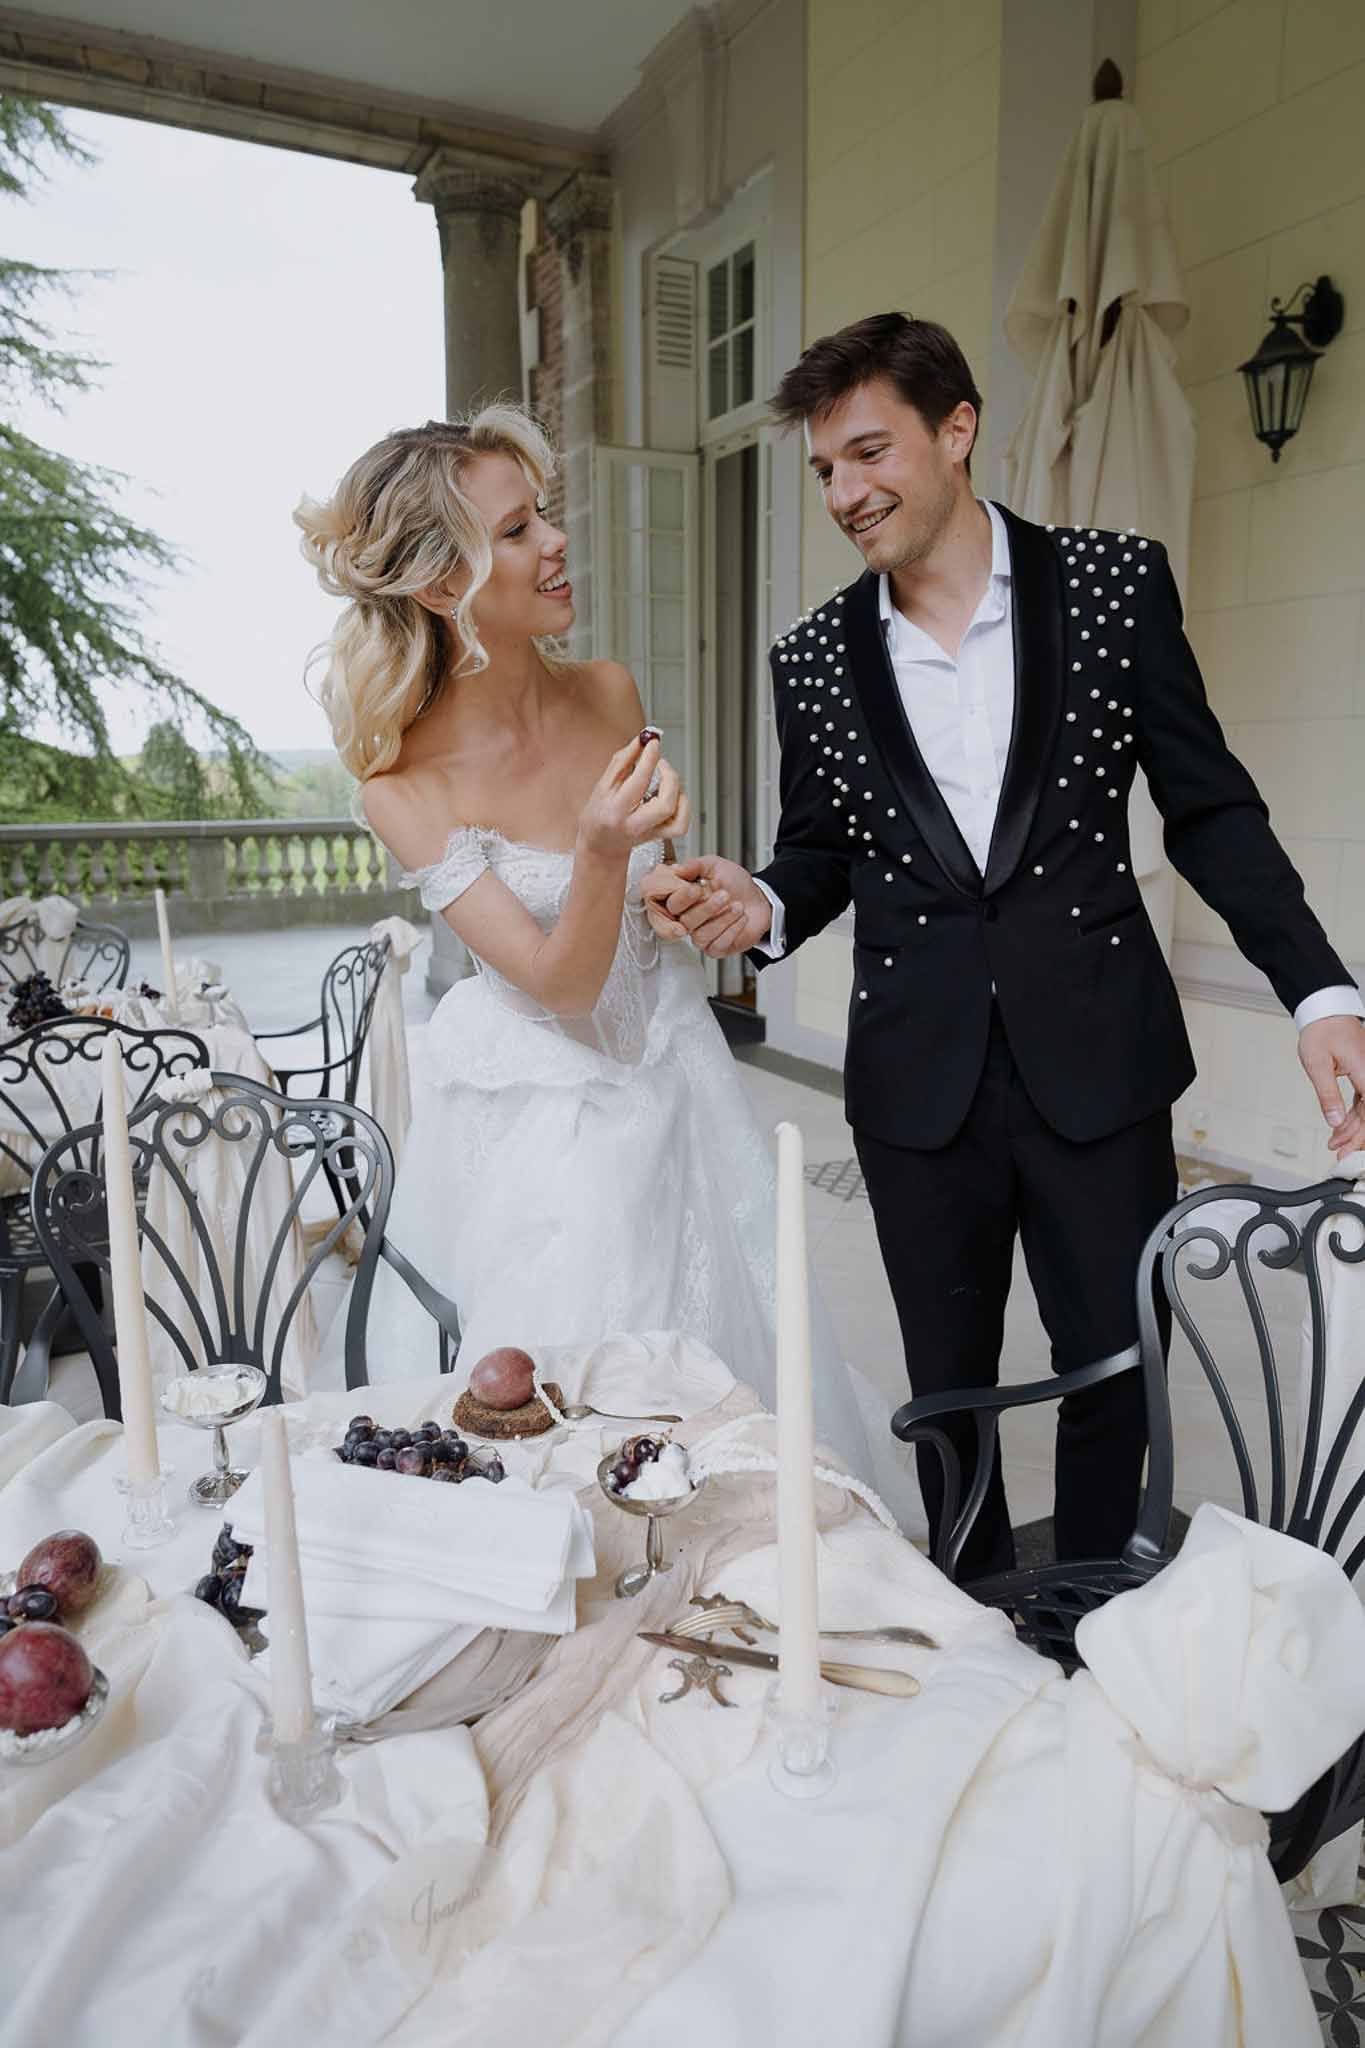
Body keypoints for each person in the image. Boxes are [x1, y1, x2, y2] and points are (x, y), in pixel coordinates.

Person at [643, 311, 1365, 1579]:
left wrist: (1317, 991)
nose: (846, 492)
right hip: (918, 1086)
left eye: (870, 452)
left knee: (1116, 1373)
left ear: (958, 429)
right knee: (948, 1392)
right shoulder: (811, 660)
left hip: (1101, 1059)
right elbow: (817, 853)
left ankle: (1094, 1615)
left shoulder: (1111, 583)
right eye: (825, 470)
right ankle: (968, 1624)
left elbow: (1210, 808)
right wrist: (760, 903)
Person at [293, 405, 876, 1486]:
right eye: (516, 531)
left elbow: (626, 917)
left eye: (544, 517)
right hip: (546, 1133)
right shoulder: (405, 789)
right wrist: (607, 851)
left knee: (729, 1359)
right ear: (438, 583)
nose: (556, 542)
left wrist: (678, 891)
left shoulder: (609, 690)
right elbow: (560, 981)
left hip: (678, 1073)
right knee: (564, 1416)